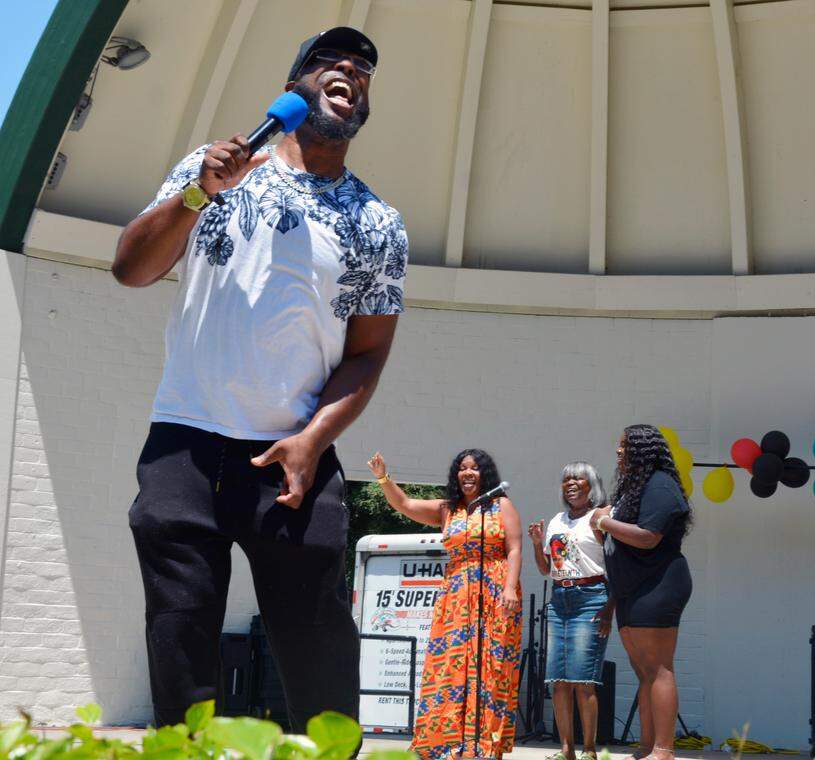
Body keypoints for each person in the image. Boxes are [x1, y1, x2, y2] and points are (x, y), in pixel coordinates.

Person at [114, 26, 407, 727]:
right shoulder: (213, 169)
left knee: (318, 649)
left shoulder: (379, 223)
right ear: (294, 85)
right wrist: (196, 195)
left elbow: (367, 355)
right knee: (179, 636)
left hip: (291, 460)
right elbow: (132, 269)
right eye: (329, 61)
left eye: (363, 69)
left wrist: (311, 442)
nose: (350, 70)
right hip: (183, 444)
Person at [366, 449, 523, 760]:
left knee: (490, 666)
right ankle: (449, 743)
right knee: (451, 668)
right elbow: (405, 504)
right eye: (462, 468)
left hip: (495, 591)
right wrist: (384, 477)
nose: (468, 473)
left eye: (475, 468)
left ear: (485, 474)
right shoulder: (446, 509)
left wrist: (509, 588)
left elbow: (515, 547)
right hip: (456, 597)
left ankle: (485, 745)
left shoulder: (500, 505)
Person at [594, 424, 693, 760]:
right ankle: (648, 746)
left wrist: (604, 522)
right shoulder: (634, 490)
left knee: (659, 667)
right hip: (630, 588)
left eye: (625, 446)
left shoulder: (661, 486)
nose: (619, 452)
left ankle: (664, 749)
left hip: (658, 584)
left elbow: (648, 536)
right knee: (644, 670)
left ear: (644, 451)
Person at [528, 462, 613, 760]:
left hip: (591, 597)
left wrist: (609, 610)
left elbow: (615, 566)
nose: (571, 483)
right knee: (559, 681)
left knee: (583, 681)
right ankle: (566, 749)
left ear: (592, 485)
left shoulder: (601, 517)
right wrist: (538, 545)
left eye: (578, 478)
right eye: (566, 479)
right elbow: (547, 569)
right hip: (560, 598)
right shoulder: (557, 520)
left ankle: (589, 750)